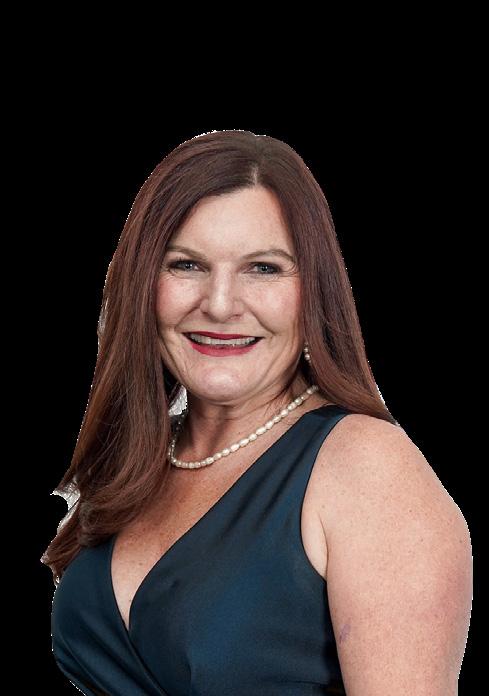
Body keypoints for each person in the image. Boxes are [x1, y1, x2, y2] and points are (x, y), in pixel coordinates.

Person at [43, 130, 472, 695]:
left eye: (263, 268)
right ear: (143, 284)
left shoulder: (367, 469)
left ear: (312, 291)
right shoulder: (139, 463)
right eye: (186, 265)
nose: (220, 304)